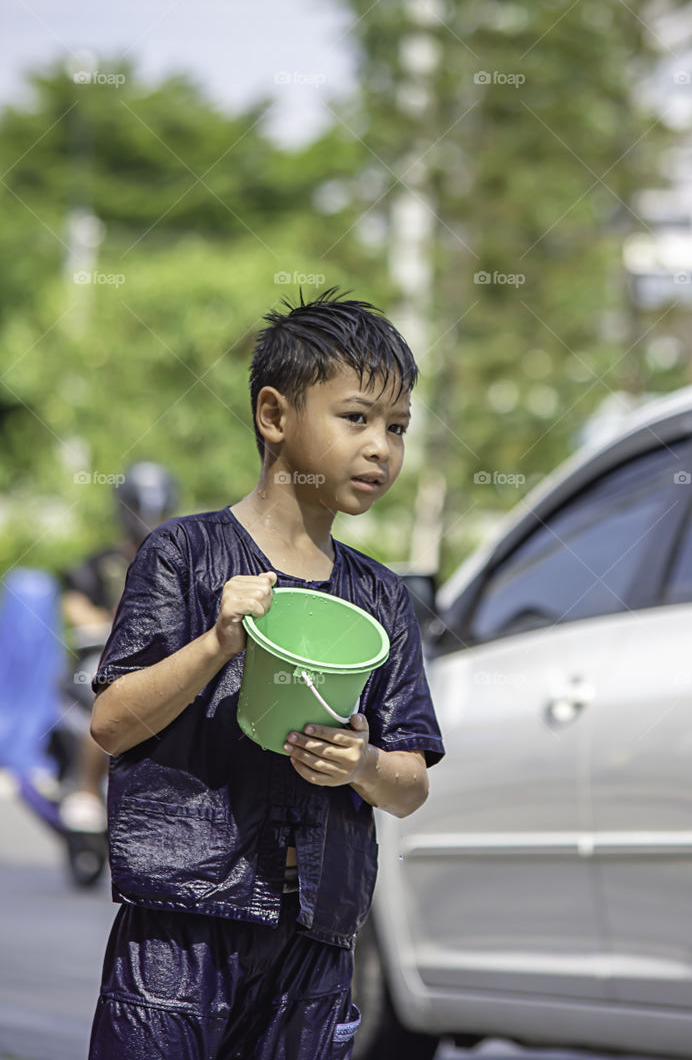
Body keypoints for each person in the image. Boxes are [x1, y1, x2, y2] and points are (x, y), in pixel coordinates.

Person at [87, 287, 445, 1060]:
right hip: (180, 928)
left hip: (315, 939)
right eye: (356, 418)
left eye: (397, 427)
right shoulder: (183, 555)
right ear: (275, 416)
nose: (381, 447)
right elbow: (113, 722)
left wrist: (363, 764)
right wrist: (216, 642)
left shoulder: (379, 595)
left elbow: (410, 782)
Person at [59, 462, 179, 834]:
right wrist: (107, 624)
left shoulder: (178, 562)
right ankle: (86, 790)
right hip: (106, 659)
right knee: (106, 697)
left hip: (163, 664)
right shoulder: (104, 563)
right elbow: (74, 602)